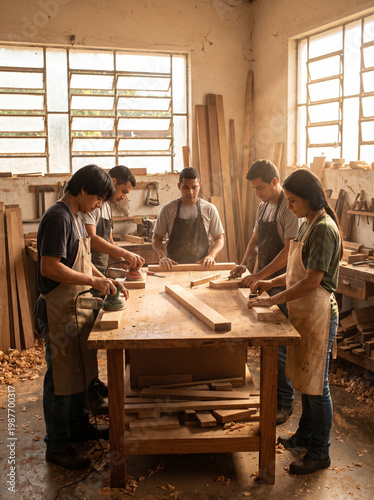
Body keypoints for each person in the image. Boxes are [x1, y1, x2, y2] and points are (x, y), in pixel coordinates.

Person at [34, 164, 128, 470]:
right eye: (99, 198)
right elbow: (50, 267)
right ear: (83, 190)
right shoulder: (59, 218)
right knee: (60, 379)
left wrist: (107, 279)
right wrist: (93, 283)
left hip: (75, 307)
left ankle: (78, 427)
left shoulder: (74, 216)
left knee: (79, 371)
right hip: (58, 311)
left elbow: (84, 262)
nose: (100, 205)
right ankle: (57, 445)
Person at [247, 169, 342, 475]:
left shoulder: (324, 229)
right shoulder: (307, 224)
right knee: (304, 380)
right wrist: (269, 283)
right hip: (303, 311)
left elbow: (312, 281)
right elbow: (294, 271)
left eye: (292, 201)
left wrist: (274, 299)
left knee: (317, 386)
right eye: (287, 201)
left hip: (318, 313)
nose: (289, 207)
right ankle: (304, 435)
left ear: (308, 198)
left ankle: (319, 452)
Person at [230, 159, 299, 424]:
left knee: (280, 348)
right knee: (268, 345)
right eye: (253, 189)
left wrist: (261, 275)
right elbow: (256, 240)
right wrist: (245, 264)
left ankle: (284, 402)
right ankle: (272, 395)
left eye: (260, 187)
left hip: (282, 282)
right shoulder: (262, 207)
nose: (257, 193)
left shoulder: (288, 209)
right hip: (265, 281)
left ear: (274, 181)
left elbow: (289, 251)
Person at [80, 165, 145, 414]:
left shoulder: (104, 204)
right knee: (88, 337)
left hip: (98, 273)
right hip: (86, 273)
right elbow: (92, 239)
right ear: (112, 181)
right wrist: (123, 252)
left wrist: (120, 253)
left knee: (92, 332)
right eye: (123, 191)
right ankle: (89, 394)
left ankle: (94, 383)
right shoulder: (92, 203)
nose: (123, 197)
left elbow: (106, 239)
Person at [152, 167, 225, 268]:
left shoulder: (209, 209)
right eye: (186, 188)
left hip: (201, 267)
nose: (190, 192)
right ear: (179, 186)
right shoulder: (167, 209)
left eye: (194, 187)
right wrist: (162, 257)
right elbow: (156, 238)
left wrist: (211, 256)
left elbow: (219, 239)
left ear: (200, 186)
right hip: (173, 267)